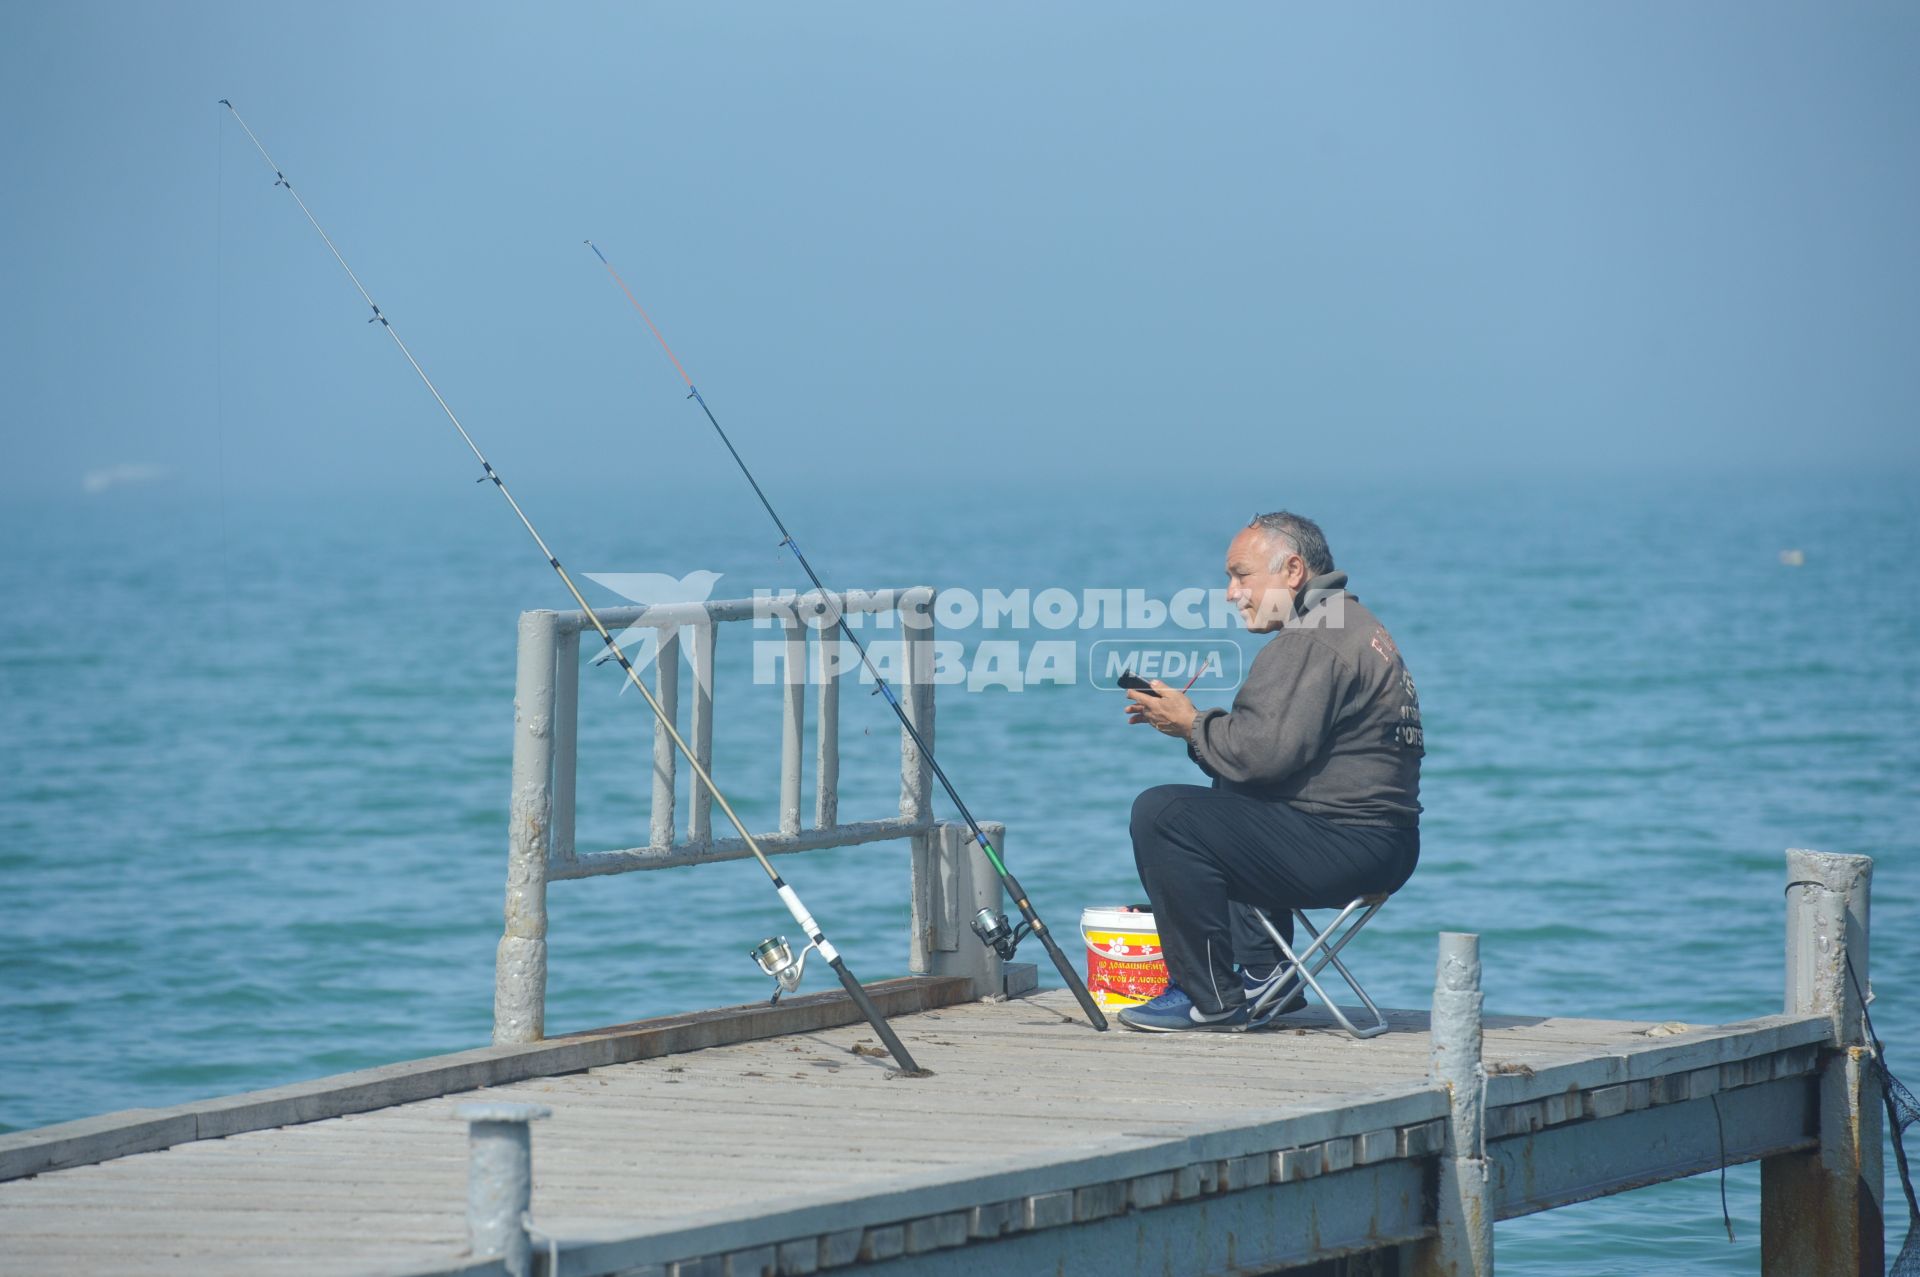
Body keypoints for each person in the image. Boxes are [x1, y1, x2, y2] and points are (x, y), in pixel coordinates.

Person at [1119, 511, 1423, 1032]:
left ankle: (1208, 996)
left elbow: (1258, 754)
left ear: (1293, 571)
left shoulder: (1312, 638)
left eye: (1241, 575)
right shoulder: (1348, 623)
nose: (1231, 593)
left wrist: (1190, 723)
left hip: (1349, 846)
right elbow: (1258, 761)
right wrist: (1199, 732)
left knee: (1163, 813)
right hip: (1384, 844)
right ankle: (1267, 974)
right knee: (1225, 791)